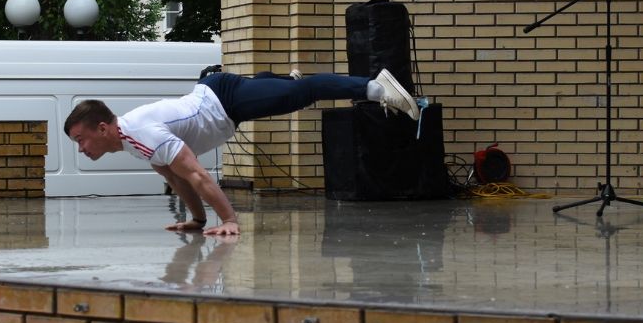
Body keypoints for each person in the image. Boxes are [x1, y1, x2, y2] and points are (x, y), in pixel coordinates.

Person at [65, 67, 421, 237]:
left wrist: (230, 220)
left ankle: (375, 87)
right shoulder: (131, 142)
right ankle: (284, 81)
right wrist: (198, 220)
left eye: (81, 139)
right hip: (215, 97)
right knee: (286, 91)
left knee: (305, 94)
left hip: (225, 99)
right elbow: (177, 179)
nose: (81, 149)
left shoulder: (141, 134)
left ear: (103, 128)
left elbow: (197, 175)